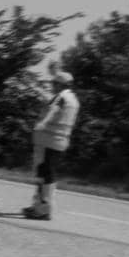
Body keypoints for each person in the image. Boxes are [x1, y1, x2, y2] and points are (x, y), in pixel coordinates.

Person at [24, 70, 80, 220]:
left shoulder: (61, 97)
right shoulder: (74, 100)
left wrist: (43, 122)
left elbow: (54, 110)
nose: (52, 86)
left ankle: (43, 209)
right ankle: (38, 206)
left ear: (60, 84)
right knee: (46, 174)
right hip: (59, 141)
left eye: (54, 83)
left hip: (48, 141)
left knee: (44, 175)